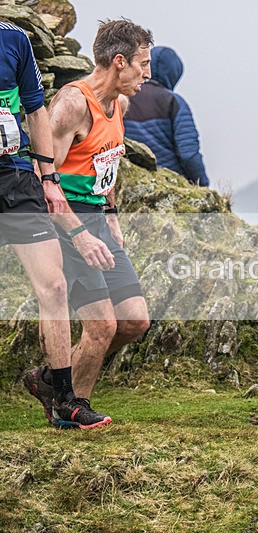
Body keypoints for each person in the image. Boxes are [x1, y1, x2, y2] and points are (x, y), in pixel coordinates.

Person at [24, 19, 153, 428]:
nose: (148, 75)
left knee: (134, 321)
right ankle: (71, 409)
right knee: (101, 326)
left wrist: (111, 216)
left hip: (97, 219)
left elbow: (107, 164)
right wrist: (79, 236)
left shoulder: (122, 104)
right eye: (143, 65)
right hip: (65, 225)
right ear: (120, 62)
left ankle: (50, 382)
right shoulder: (72, 104)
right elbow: (44, 178)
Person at [2, 21, 112, 429]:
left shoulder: (14, 39)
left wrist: (49, 180)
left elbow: (35, 110)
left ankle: (64, 400)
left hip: (15, 177)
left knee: (55, 285)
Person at [123, 46, 209, 186]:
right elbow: (188, 154)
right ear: (173, 74)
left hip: (129, 180)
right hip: (169, 182)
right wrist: (203, 185)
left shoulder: (122, 98)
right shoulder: (174, 102)